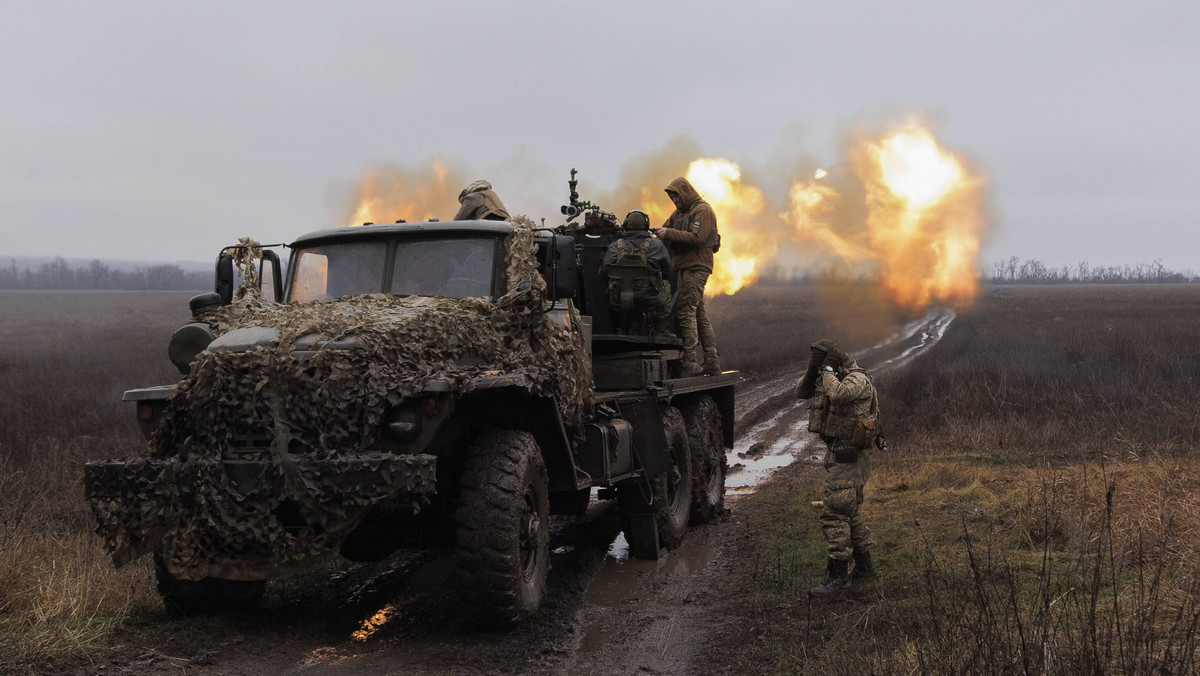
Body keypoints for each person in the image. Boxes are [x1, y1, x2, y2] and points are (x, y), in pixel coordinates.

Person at [795, 339, 880, 597]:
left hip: (852, 457)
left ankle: (838, 578)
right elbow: (801, 392)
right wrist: (812, 373)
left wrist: (830, 372)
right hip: (838, 454)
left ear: (836, 362)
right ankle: (865, 567)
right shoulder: (830, 378)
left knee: (834, 512)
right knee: (849, 510)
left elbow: (839, 394)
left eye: (823, 363)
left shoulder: (857, 379)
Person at [654, 177, 720, 376]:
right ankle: (712, 361)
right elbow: (666, 230)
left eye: (676, 195)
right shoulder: (679, 214)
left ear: (685, 192)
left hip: (696, 267)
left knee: (685, 310)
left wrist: (668, 234)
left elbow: (697, 238)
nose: (674, 200)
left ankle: (690, 362)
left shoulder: (702, 211)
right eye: (671, 196)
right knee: (699, 314)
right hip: (685, 268)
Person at [600, 210, 675, 336]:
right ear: (646, 226)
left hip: (618, 297)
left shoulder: (614, 246)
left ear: (625, 225)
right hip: (649, 297)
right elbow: (668, 272)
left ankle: (618, 327)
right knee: (666, 285)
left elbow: (603, 272)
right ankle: (661, 330)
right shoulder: (657, 245)